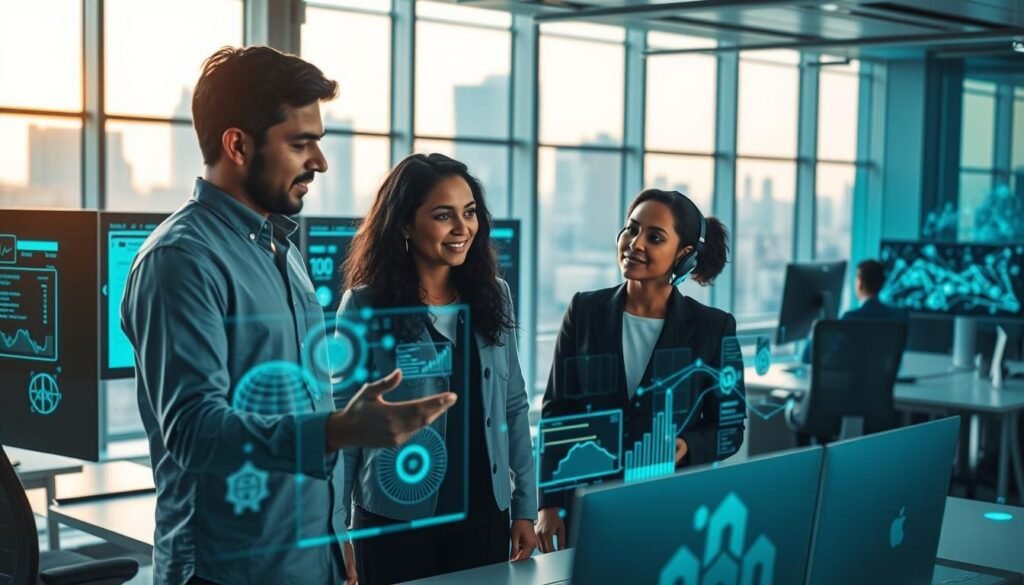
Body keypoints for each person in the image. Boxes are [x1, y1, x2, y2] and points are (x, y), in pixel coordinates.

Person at [120, 47, 455, 585]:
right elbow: (194, 432)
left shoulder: (284, 252)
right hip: (229, 572)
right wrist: (338, 430)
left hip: (308, 559)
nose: (319, 162)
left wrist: (334, 537)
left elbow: (302, 401)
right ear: (237, 145)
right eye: (301, 143)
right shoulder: (180, 261)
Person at [335, 153, 538, 584]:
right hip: (393, 520)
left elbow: (515, 406)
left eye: (469, 213)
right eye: (444, 215)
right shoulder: (365, 306)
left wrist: (525, 506)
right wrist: (336, 529)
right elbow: (345, 427)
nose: (462, 228)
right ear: (404, 225)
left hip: (484, 512)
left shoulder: (494, 295)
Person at [535, 189, 745, 553]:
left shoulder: (713, 328)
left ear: (684, 256)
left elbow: (730, 427)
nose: (635, 243)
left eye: (655, 237)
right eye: (631, 230)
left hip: (667, 506)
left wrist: (687, 445)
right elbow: (558, 412)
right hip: (586, 502)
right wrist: (547, 502)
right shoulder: (584, 311)